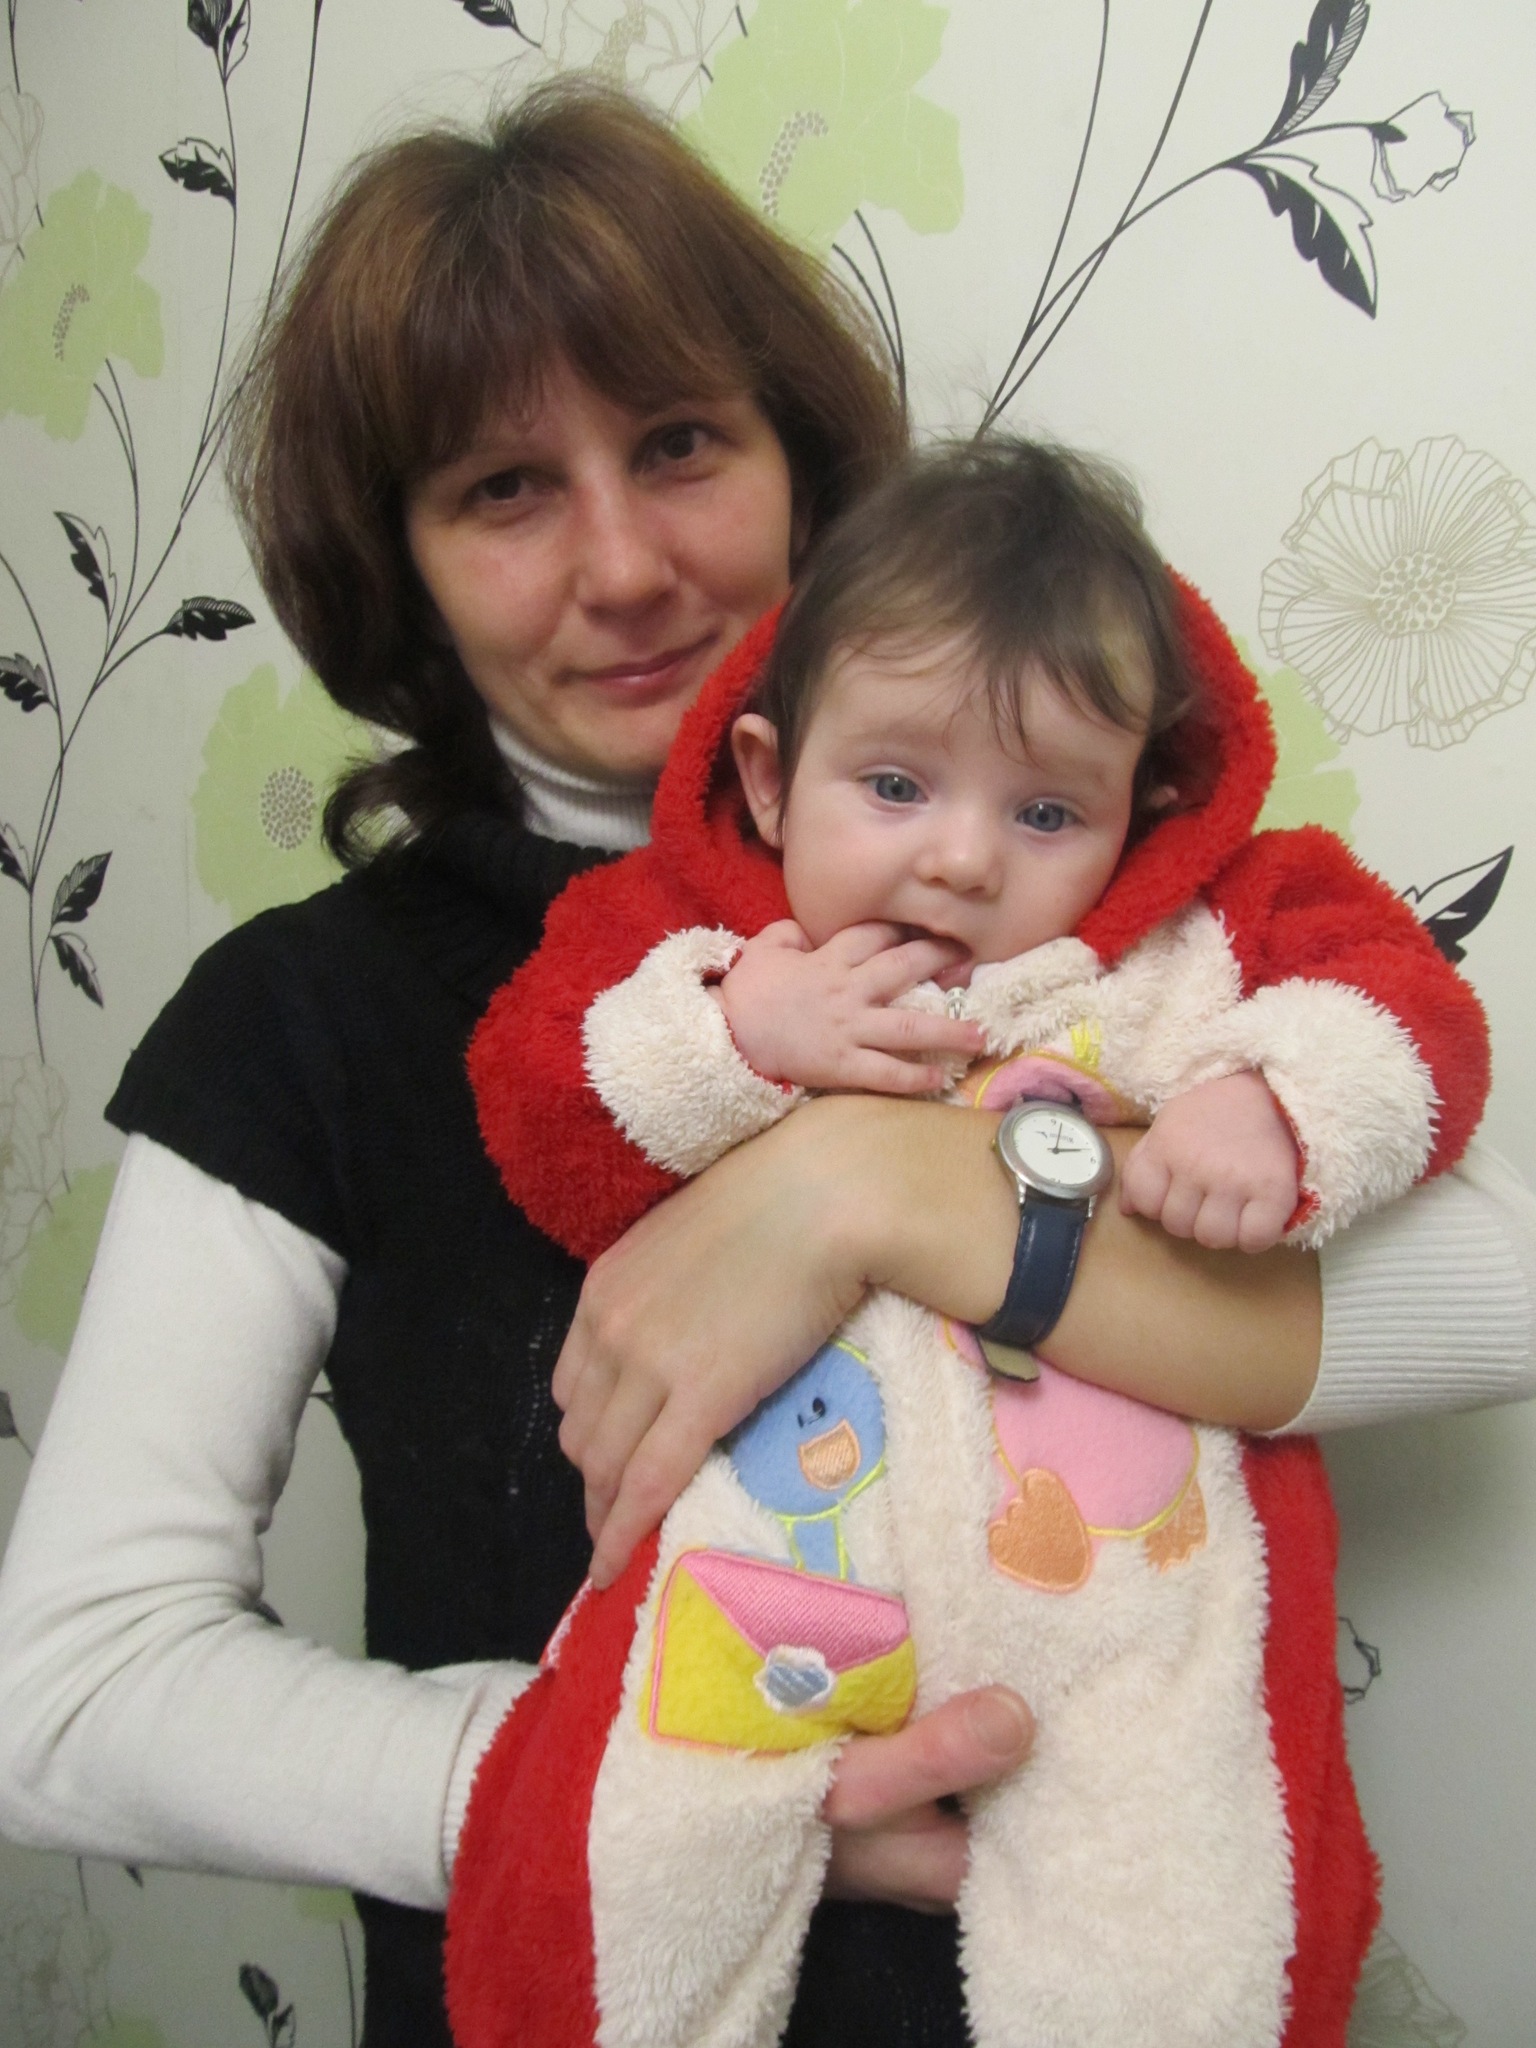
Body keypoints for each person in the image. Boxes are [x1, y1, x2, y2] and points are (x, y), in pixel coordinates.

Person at [0, 79, 1529, 2048]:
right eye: (503, 490)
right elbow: (68, 1695)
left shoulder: (1099, 897)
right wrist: (655, 1795)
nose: (626, 565)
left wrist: (858, 1188)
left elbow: (1497, 1291)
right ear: (401, 562)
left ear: (800, 459)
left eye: (679, 445)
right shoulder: (307, 1019)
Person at [453, 437, 1488, 2048]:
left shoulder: (1187, 947)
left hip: (1126, 1599)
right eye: (894, 786)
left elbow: (1405, 1012)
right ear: (767, 776)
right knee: (626, 1871)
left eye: (1047, 809)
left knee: (1182, 1919)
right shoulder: (696, 941)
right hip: (762, 1565)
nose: (960, 855)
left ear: (1143, 808)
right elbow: (541, 1111)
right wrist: (735, 1035)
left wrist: (1277, 1106)